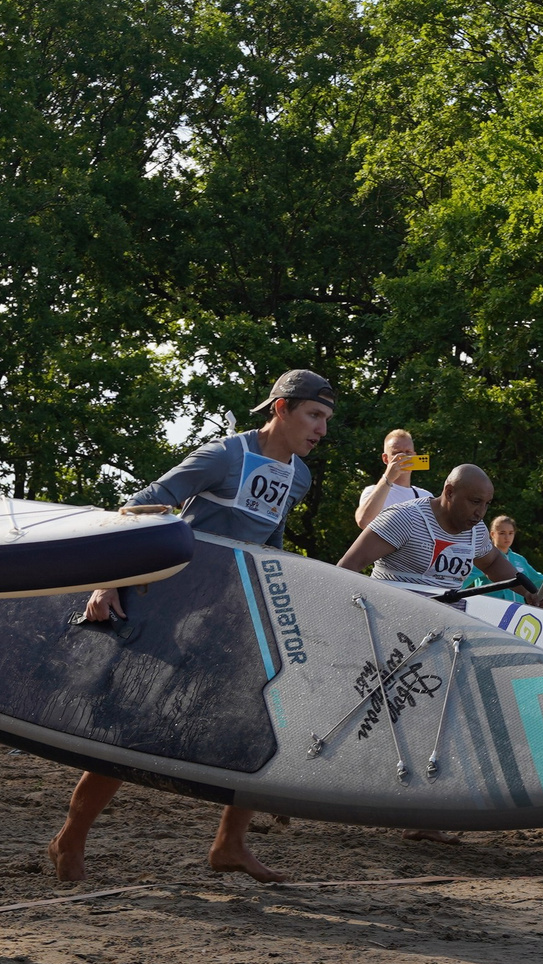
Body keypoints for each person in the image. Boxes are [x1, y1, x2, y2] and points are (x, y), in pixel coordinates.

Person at [55, 368, 338, 887]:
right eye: (314, 415)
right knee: (130, 729)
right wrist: (109, 581)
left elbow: (268, 544)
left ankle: (229, 844)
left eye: (326, 419)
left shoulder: (299, 476)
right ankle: (70, 838)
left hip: (230, 612)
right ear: (281, 409)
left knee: (255, 721)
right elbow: (142, 503)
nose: (321, 429)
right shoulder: (224, 455)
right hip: (167, 602)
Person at [339, 464, 525, 596]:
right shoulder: (405, 518)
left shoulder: (476, 530)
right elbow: (347, 568)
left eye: (487, 504)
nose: (481, 513)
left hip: (442, 630)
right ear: (449, 492)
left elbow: (492, 563)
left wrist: (529, 592)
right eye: (475, 502)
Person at [463, 515, 543, 605]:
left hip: (518, 614)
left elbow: (539, 580)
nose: (507, 537)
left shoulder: (519, 559)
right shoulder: (485, 557)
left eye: (510, 533)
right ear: (492, 534)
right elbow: (461, 579)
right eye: (502, 533)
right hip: (490, 613)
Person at [355, 428, 431, 529]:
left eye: (408, 452)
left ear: (414, 455)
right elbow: (364, 521)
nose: (404, 457)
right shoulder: (372, 492)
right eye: (397, 453)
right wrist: (388, 477)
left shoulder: (426, 496)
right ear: (386, 459)